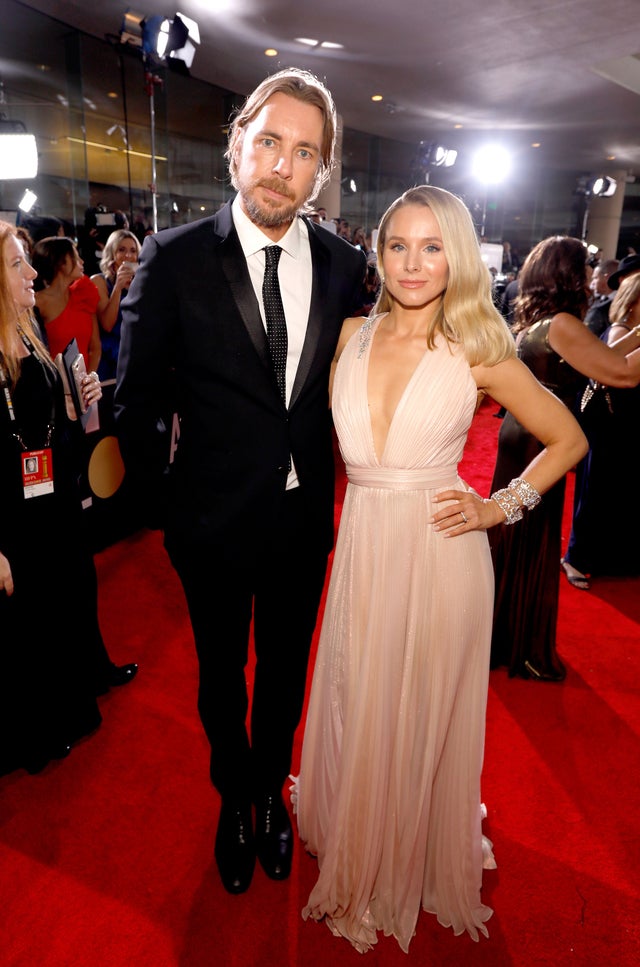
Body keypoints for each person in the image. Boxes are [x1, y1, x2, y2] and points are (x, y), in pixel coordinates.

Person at [293, 186, 588, 954]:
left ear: (455, 254)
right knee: (362, 693)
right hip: (362, 548)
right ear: (378, 252)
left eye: (432, 246)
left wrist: (499, 508)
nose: (414, 262)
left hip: (439, 555)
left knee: (416, 705)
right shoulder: (350, 332)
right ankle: (360, 834)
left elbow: (568, 438)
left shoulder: (479, 348)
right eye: (398, 244)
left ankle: (400, 856)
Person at [114, 68, 366, 895]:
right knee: (222, 676)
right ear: (236, 147)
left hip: (301, 523)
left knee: (286, 672)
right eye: (268, 142)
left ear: (320, 172)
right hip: (210, 526)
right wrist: (166, 504)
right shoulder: (174, 256)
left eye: (303, 154)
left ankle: (269, 791)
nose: (281, 166)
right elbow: (137, 399)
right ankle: (233, 794)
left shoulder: (340, 264)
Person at [0, 221, 136, 776]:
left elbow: (42, 407)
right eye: (16, 264)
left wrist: (74, 397)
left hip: (50, 489)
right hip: (16, 508)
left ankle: (87, 677)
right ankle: (41, 726)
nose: (32, 271)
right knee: (35, 618)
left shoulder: (26, 323)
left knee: (74, 588)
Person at [490, 236, 640, 682]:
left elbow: (609, 358)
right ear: (571, 275)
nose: (592, 276)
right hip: (543, 439)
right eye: (586, 267)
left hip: (521, 432)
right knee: (530, 537)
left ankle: (502, 635)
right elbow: (622, 374)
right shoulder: (562, 324)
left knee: (517, 534)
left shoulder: (537, 323)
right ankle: (520, 644)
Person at [562, 272, 640, 586]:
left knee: (618, 493)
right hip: (611, 422)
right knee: (596, 490)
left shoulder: (630, 331)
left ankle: (611, 557)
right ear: (633, 302)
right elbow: (614, 369)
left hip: (627, 423)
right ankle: (576, 558)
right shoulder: (622, 330)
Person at [31, 236, 101, 373]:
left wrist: (88, 380)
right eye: (75, 256)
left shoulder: (84, 295)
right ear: (61, 263)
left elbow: (95, 348)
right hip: (53, 386)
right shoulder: (37, 302)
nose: (81, 261)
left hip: (84, 386)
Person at [90, 229, 141, 382]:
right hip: (111, 358)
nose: (128, 255)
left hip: (136, 355)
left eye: (133, 250)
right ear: (112, 253)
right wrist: (118, 288)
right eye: (121, 250)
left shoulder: (141, 281)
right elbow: (107, 324)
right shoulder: (99, 281)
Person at [583, 258, 618, 336]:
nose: (592, 283)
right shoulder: (593, 300)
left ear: (606, 278)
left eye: (595, 278)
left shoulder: (619, 303)